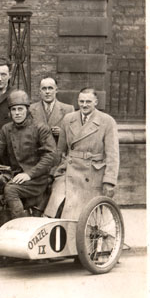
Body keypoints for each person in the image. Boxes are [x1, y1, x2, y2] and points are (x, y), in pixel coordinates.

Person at [44, 88, 119, 219]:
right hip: (70, 169)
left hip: (93, 173)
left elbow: (113, 155)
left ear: (96, 102)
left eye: (88, 101)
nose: (84, 105)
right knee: (55, 204)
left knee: (84, 215)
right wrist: (53, 172)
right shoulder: (68, 119)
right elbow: (60, 150)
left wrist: (109, 181)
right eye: (81, 101)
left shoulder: (107, 121)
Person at [0, 90, 57, 219]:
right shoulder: (6, 129)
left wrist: (29, 174)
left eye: (20, 109)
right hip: (15, 175)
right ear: (10, 112)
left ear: (27, 109)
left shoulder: (40, 128)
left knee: (10, 190)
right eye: (14, 109)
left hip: (37, 179)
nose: (17, 113)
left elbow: (51, 156)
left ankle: (21, 227)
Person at [29, 77, 74, 142]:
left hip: (58, 150)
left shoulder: (68, 109)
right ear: (40, 91)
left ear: (56, 90)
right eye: (44, 88)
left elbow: (75, 135)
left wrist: (62, 133)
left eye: (50, 88)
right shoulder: (30, 109)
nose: (47, 92)